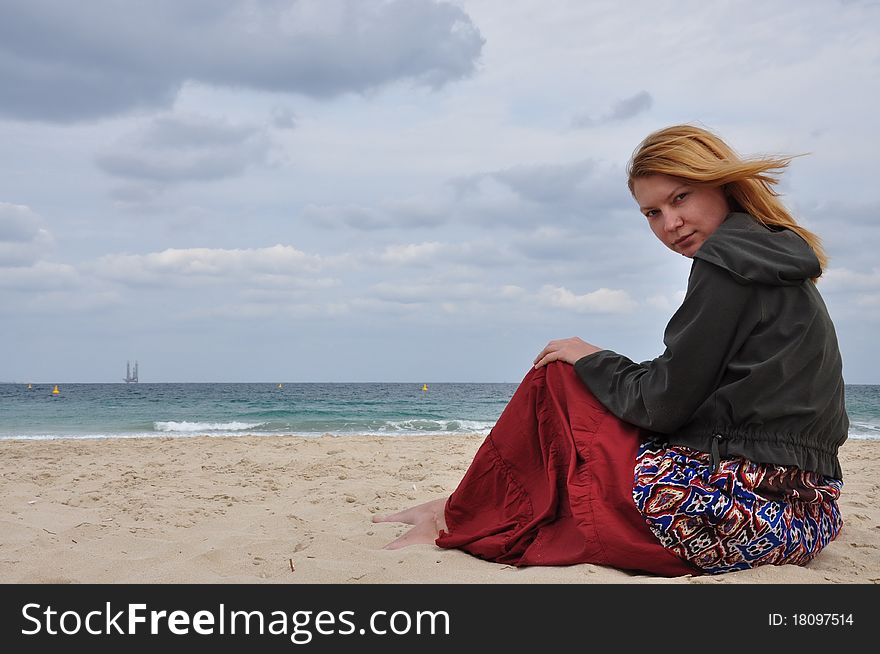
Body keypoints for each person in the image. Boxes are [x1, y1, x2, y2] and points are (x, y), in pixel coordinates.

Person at [373, 124, 848, 576]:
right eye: (652, 213)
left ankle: (458, 515)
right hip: (805, 519)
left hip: (729, 518)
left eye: (680, 198)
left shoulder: (724, 263)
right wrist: (609, 369)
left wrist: (593, 359)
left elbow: (663, 405)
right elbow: (692, 385)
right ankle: (463, 505)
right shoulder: (778, 260)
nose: (671, 224)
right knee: (590, 395)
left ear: (720, 185)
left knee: (557, 376)